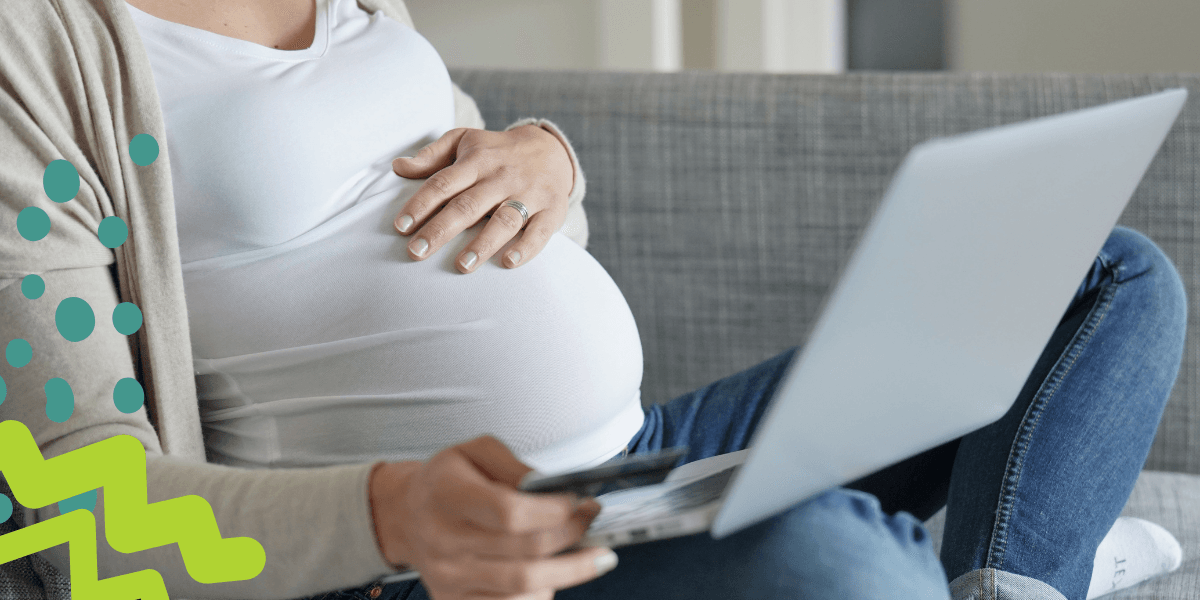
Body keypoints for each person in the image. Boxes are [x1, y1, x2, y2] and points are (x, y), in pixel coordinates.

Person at [0, 0, 1186, 599]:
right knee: (846, 569)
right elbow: (78, 509)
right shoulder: (32, 55)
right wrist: (398, 516)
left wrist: (552, 165)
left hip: (642, 465)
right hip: (445, 559)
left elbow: (496, 226)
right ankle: (1030, 556)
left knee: (1106, 278)